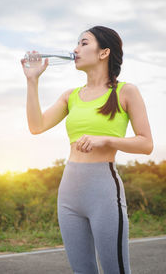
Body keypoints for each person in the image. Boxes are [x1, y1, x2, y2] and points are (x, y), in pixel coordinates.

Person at [21, 26, 153, 274]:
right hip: (69, 193)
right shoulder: (70, 96)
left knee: (115, 270)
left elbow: (146, 144)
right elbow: (36, 126)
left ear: (104, 52)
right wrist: (32, 81)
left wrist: (107, 140)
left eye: (83, 43)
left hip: (103, 191)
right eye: (77, 44)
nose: (75, 49)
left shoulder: (126, 91)